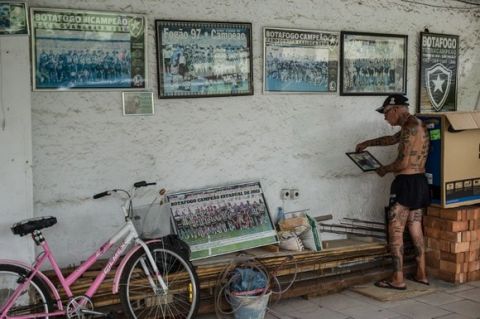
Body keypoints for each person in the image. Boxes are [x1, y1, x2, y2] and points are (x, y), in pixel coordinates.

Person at [355, 94, 430, 290]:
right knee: (415, 227)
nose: (385, 118)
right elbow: (391, 139)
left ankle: (397, 279)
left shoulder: (409, 128)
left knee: (395, 230)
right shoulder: (416, 124)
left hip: (405, 182)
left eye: (386, 113)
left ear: (396, 109)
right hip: (420, 182)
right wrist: (368, 143)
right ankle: (422, 273)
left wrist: (384, 169)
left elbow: (403, 163)